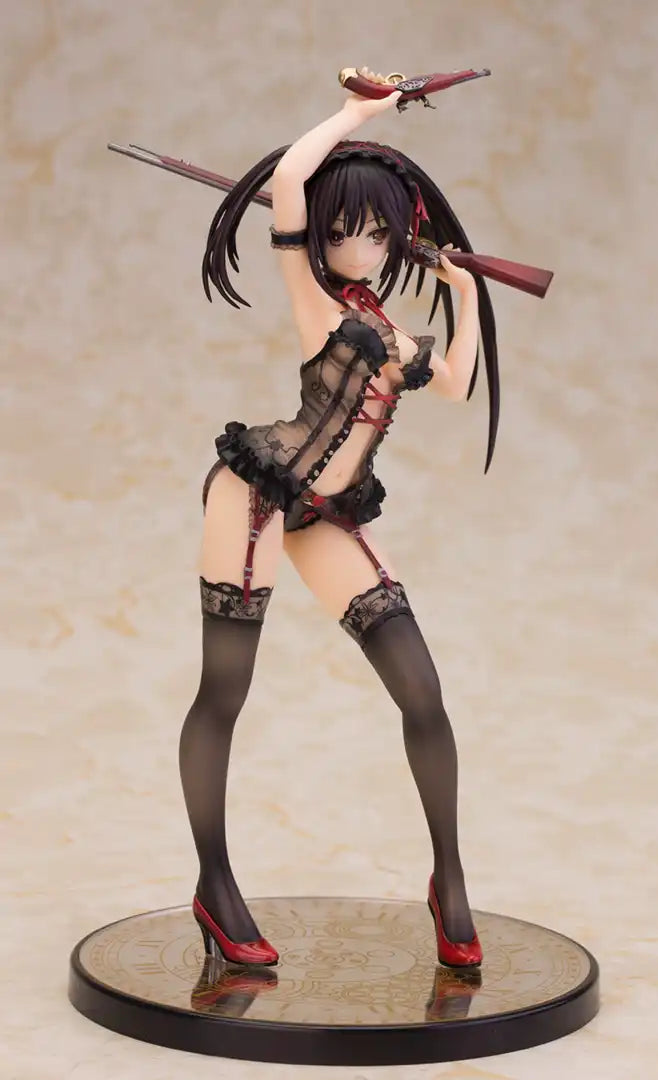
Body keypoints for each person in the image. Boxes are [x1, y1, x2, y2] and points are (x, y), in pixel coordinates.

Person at [180, 87, 498, 969]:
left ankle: (450, 881)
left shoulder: (390, 329)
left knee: (422, 691)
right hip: (256, 493)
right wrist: (363, 112)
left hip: (329, 512)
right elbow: (290, 177)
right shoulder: (315, 301)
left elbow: (457, 385)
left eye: (376, 231)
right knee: (225, 690)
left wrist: (467, 297)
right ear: (319, 233)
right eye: (344, 229)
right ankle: (214, 885)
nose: (359, 245)